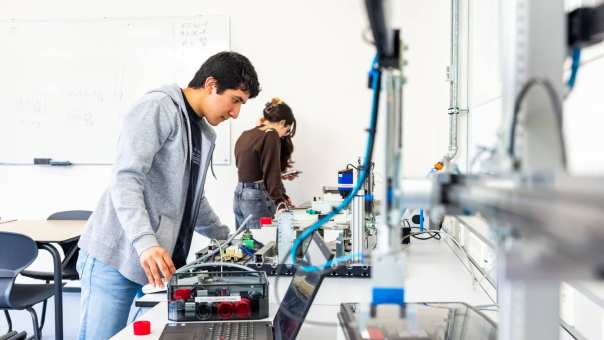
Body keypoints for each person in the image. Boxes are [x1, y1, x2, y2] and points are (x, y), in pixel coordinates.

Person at [76, 51, 260, 340]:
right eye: (235, 99)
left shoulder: (201, 132)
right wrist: (146, 243)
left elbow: (193, 200)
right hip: (117, 256)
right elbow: (126, 179)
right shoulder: (159, 107)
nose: (236, 112)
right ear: (211, 84)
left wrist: (227, 239)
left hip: (157, 264)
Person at [233, 98, 297, 229]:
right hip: (255, 198)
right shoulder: (271, 134)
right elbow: (270, 172)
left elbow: (248, 167)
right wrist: (280, 201)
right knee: (263, 245)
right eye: (287, 130)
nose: (285, 135)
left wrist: (282, 194)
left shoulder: (246, 134)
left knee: (245, 244)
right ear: (282, 123)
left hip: (239, 195)